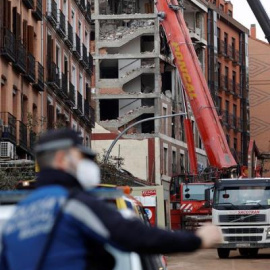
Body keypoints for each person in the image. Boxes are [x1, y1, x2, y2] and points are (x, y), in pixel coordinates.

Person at [0, 129, 222, 270]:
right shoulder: (72, 205)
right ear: (61, 159)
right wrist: (197, 240)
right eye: (81, 158)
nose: (87, 165)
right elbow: (135, 236)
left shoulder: (18, 217)